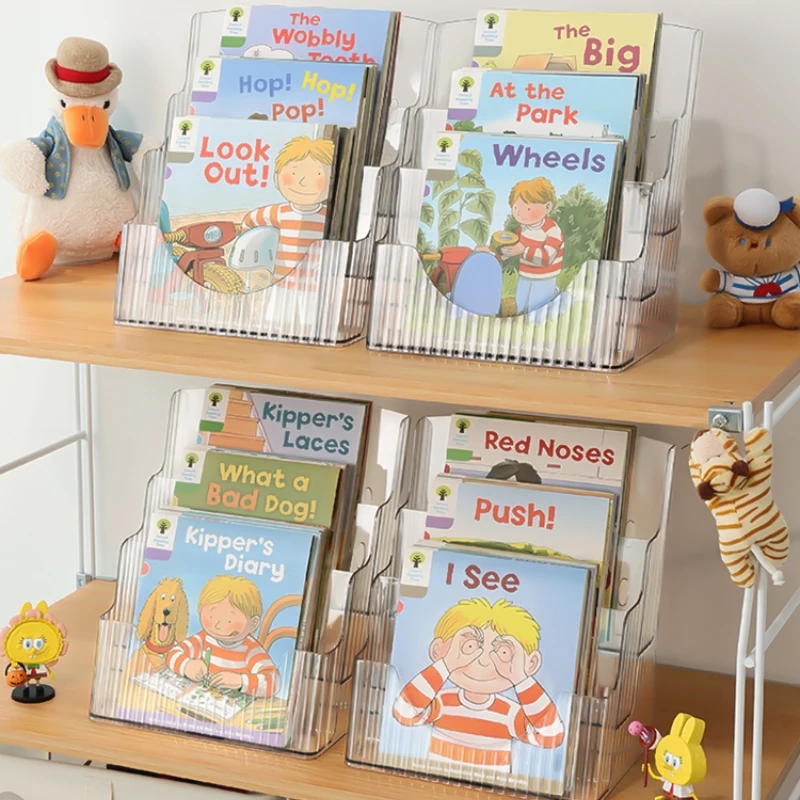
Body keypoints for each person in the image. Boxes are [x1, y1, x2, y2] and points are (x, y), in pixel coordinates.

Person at [393, 597, 563, 771]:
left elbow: (551, 736)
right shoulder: (443, 702)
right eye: (469, 646)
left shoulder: (510, 713)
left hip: (491, 785)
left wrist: (521, 679)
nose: (483, 661)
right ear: (437, 650)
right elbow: (405, 713)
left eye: (503, 652)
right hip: (435, 780)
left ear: (531, 663)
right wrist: (446, 664)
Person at [240, 136, 334, 290]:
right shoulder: (278, 213)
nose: (303, 182)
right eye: (294, 174)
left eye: (318, 175)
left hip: (314, 288)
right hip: (281, 286)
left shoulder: (329, 217)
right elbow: (249, 221)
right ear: (276, 178)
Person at [166, 575, 278, 697]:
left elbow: (273, 682)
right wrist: (187, 666)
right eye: (212, 616)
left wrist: (240, 681)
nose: (217, 625)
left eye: (229, 620)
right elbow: (172, 654)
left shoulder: (250, 649)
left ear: (253, 623)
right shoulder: (204, 639)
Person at [501, 177, 564, 313]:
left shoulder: (553, 231)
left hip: (544, 278)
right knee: (520, 307)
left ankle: (557, 296)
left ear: (547, 207)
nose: (520, 213)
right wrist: (495, 252)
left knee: (537, 311)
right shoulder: (522, 229)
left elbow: (546, 258)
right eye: (516, 208)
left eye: (528, 208)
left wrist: (523, 250)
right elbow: (512, 249)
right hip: (525, 275)